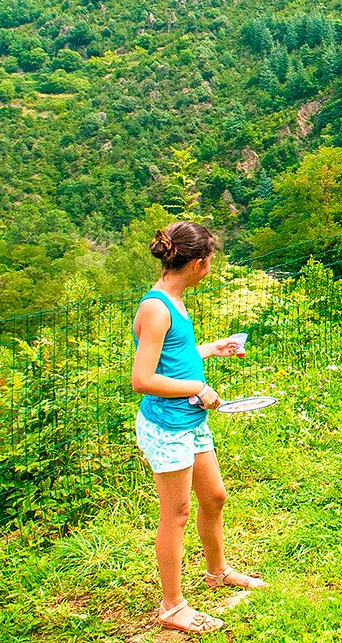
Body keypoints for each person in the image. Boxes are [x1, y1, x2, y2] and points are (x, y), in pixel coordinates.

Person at [131, 221, 267, 634]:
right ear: (197, 264)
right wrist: (198, 387)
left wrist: (211, 349)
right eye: (209, 260)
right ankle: (172, 606)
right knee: (176, 514)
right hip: (167, 425)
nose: (210, 266)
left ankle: (217, 571)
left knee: (214, 496)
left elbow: (174, 354)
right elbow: (142, 379)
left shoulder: (175, 299)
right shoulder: (156, 307)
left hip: (190, 420)